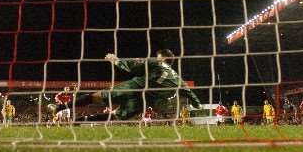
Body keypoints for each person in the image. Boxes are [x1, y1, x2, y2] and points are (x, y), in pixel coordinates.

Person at [61, 49, 201, 121]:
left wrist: (116, 60)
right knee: (116, 116)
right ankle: (81, 120)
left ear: (163, 58)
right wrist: (197, 105)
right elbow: (189, 92)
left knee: (96, 97)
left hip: (132, 88)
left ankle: (60, 107)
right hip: (143, 101)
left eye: (157, 56)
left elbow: (132, 66)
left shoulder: (156, 63)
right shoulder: (177, 77)